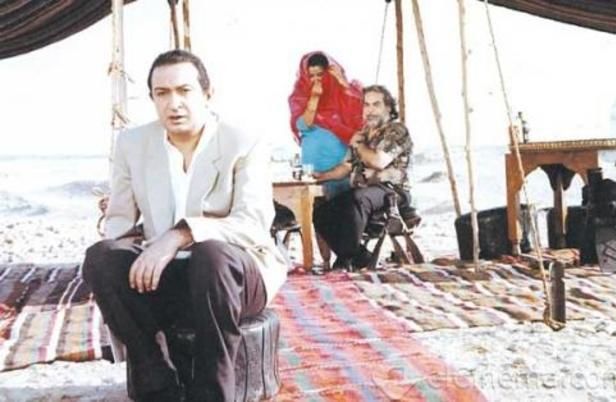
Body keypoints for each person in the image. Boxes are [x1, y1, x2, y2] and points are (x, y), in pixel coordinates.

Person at [82, 49, 287, 402]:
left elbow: (253, 223)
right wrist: (136, 253)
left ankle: (212, 394)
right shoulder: (133, 144)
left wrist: (179, 235)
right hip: (169, 278)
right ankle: (156, 385)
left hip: (233, 278)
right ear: (152, 98)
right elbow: (119, 223)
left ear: (207, 94)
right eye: (162, 93)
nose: (173, 103)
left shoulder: (243, 141)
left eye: (184, 90)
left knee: (212, 255)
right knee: (101, 257)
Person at [312, 85, 414, 271]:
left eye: (376, 104)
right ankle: (360, 258)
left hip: (393, 191)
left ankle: (345, 260)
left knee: (357, 199)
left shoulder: (396, 130)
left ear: (388, 108)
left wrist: (359, 145)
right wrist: (321, 176)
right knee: (321, 211)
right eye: (366, 105)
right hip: (364, 192)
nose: (370, 110)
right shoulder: (364, 133)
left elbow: (378, 161)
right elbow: (347, 166)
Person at [288, 51, 363, 198]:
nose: (316, 80)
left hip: (339, 175)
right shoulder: (300, 96)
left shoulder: (343, 95)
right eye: (311, 76)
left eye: (320, 74)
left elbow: (359, 117)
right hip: (311, 177)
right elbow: (303, 125)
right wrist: (314, 98)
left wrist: (343, 84)